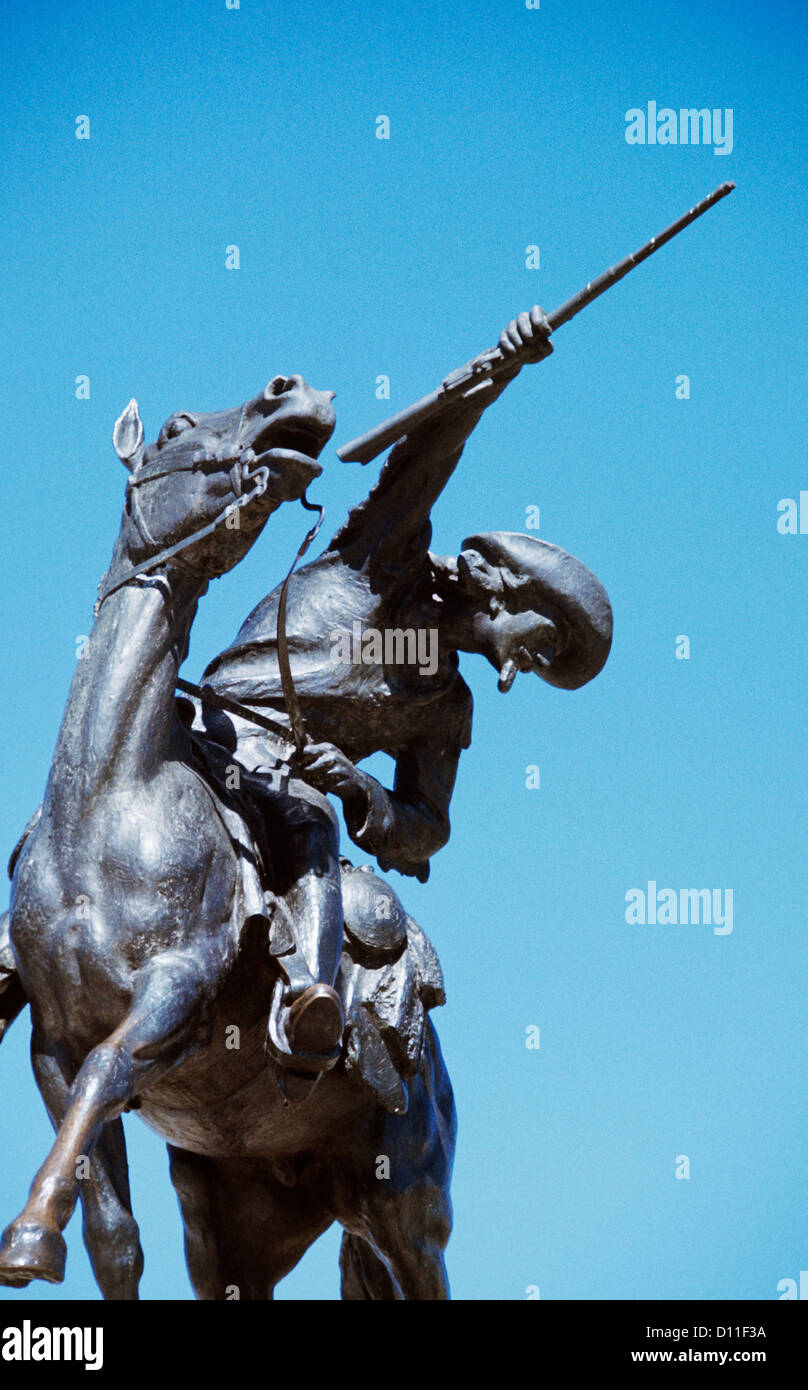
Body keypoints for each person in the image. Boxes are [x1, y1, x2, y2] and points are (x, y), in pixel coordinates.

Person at [196, 308, 612, 1078]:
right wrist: (502, 370)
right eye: (538, 647)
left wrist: (357, 786)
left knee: (311, 826)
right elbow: (430, 451)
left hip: (284, 786)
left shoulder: (446, 707)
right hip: (205, 725)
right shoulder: (385, 561)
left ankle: (310, 1001)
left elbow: (427, 826)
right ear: (510, 592)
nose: (519, 671)